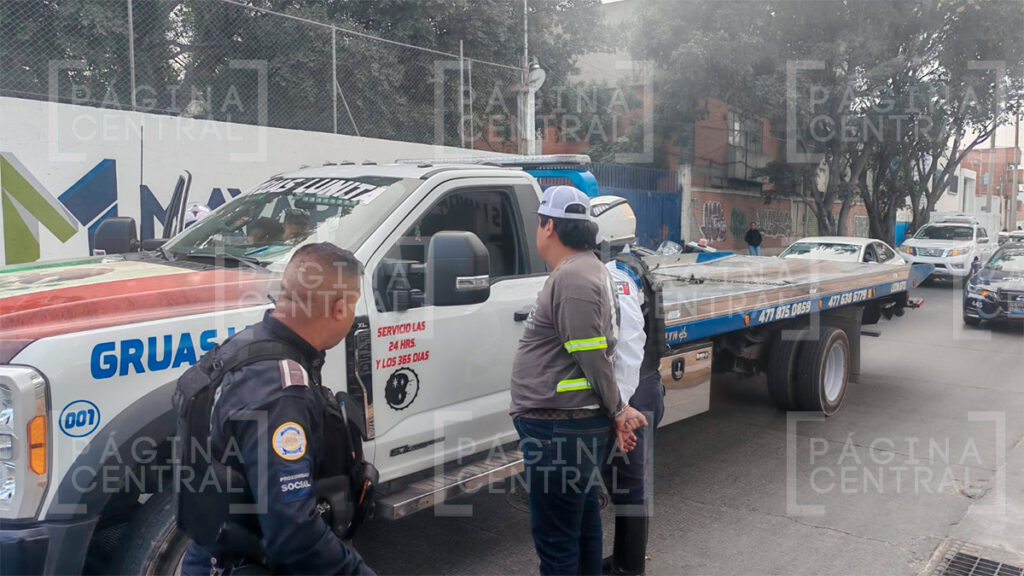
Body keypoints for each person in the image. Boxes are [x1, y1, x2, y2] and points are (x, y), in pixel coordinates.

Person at [180, 243, 375, 576]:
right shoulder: (282, 393)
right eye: (354, 304)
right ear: (341, 308)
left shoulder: (247, 345)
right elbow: (294, 534)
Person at [510, 185, 648, 576]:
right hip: (567, 427)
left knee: (556, 542)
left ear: (548, 226)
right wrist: (616, 410)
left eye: (539, 223)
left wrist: (618, 409)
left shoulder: (574, 278)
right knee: (582, 525)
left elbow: (591, 354)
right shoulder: (586, 271)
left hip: (559, 431)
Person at [591, 197, 666, 576]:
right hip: (643, 386)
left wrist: (619, 408)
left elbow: (628, 344)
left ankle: (628, 567)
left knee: (630, 485)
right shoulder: (628, 264)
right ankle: (623, 561)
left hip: (634, 389)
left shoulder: (616, 273)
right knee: (625, 483)